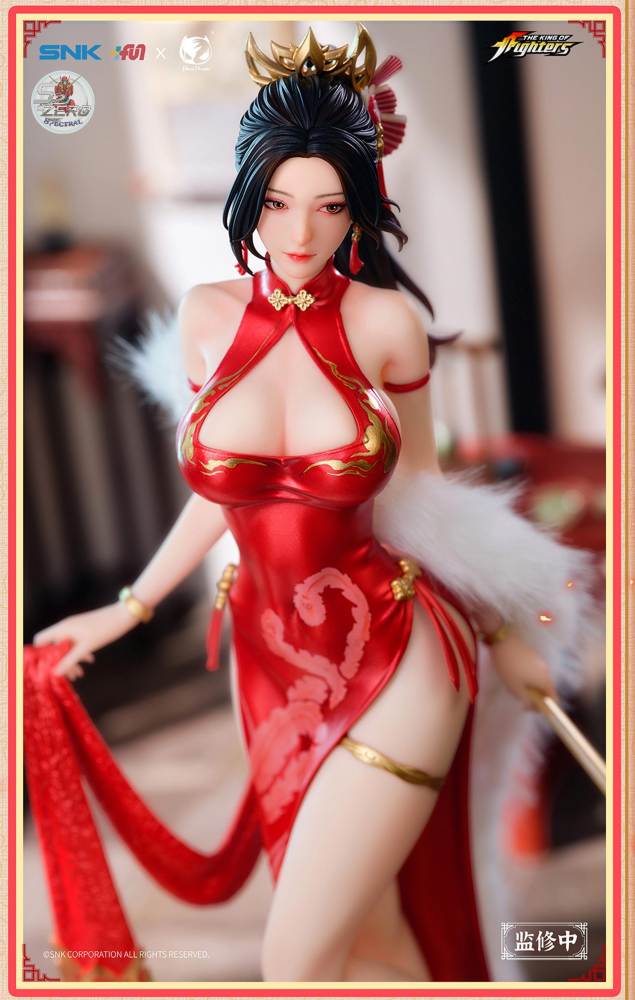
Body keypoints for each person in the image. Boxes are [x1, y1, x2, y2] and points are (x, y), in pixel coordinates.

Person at [25, 23, 596, 984]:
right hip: (266, 667)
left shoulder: (386, 323)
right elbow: (222, 498)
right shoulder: (206, 317)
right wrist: (124, 610)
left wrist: (505, 625)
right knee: (370, 939)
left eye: (329, 206)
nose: (299, 234)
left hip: (395, 654)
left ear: (358, 210)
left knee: (294, 962)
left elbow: (425, 498)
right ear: (248, 193)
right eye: (278, 202)